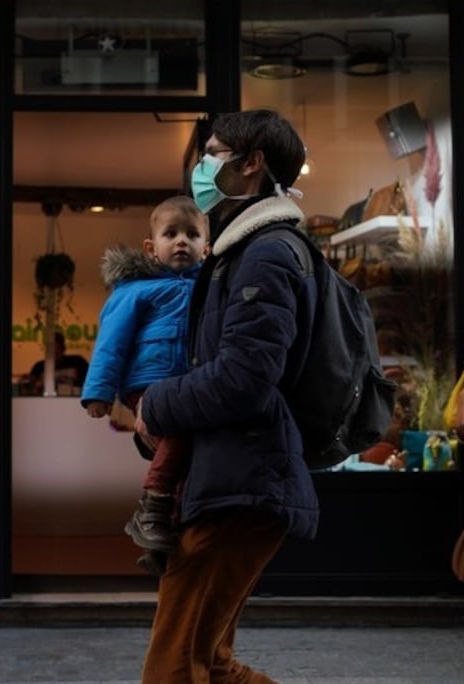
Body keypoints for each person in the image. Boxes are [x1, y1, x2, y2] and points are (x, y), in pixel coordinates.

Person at [133, 109, 319, 684]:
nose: (202, 165)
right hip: (232, 479)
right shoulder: (242, 251)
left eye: (213, 152)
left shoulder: (264, 252)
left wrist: (155, 405)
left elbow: (244, 376)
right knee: (208, 665)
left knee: (174, 671)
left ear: (252, 164)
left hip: (241, 482)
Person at [80, 196, 209, 575]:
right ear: (151, 248)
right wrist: (99, 392)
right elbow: (110, 343)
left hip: (191, 385)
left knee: (188, 454)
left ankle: (161, 540)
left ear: (208, 246)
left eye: (191, 234)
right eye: (171, 234)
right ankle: (152, 505)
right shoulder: (135, 290)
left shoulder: (209, 288)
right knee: (178, 434)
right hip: (148, 385)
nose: (181, 241)